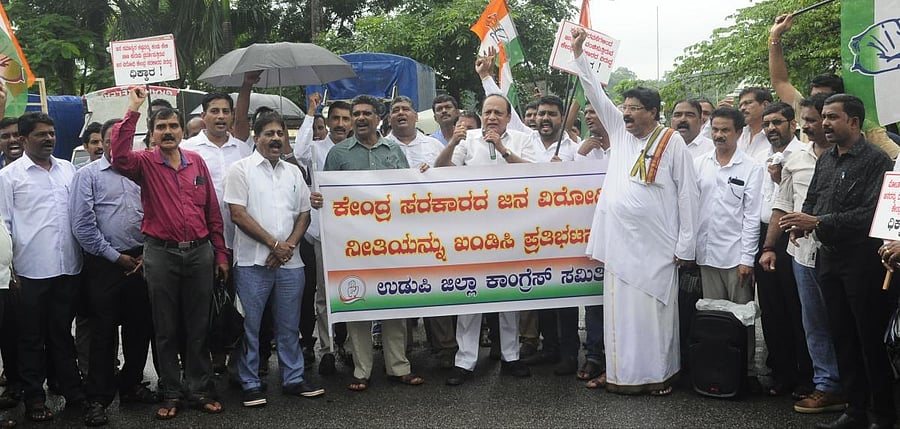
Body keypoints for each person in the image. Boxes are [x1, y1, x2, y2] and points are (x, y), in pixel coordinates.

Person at [572, 27, 698, 396]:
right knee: (620, 316)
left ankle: (658, 376)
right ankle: (621, 375)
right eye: (624, 108)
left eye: (634, 109)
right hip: (619, 244)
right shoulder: (621, 132)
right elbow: (594, 90)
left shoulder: (671, 142)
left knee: (653, 316)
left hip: (657, 247)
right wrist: (580, 56)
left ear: (653, 112)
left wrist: (685, 245)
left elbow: (688, 196)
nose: (625, 114)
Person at [110, 87, 228, 420]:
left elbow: (213, 213)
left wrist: (220, 255)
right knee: (165, 327)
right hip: (160, 254)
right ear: (152, 133)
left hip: (200, 253)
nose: (168, 133)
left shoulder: (197, 162)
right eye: (160, 128)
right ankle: (171, 391)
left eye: (173, 127)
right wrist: (133, 108)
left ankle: (200, 388)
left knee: (198, 326)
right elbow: (118, 156)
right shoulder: (144, 163)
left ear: (181, 130)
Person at [781, 94, 895, 429]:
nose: (825, 124)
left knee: (868, 338)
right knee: (841, 335)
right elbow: (814, 197)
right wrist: (799, 225)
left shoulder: (876, 160)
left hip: (862, 261)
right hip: (828, 260)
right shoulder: (827, 159)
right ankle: (855, 410)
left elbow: (871, 214)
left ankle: (883, 414)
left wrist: (818, 223)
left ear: (854, 122)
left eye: (833, 117)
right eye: (824, 117)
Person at [323, 94, 425, 391]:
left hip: (389, 241)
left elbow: (407, 192)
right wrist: (320, 199)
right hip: (352, 243)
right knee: (358, 302)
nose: (361, 118)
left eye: (367, 113)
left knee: (392, 302)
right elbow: (329, 197)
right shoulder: (339, 154)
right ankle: (361, 370)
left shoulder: (393, 150)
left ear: (379, 118)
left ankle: (398, 367)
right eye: (356, 114)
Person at [224, 110, 324, 407]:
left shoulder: (293, 171)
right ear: (256, 138)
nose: (276, 139)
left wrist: (287, 246)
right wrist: (273, 244)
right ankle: (251, 382)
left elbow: (305, 213)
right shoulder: (240, 170)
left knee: (289, 324)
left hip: (290, 262)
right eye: (269, 133)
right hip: (253, 263)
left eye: (280, 134)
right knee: (251, 326)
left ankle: (293, 378)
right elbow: (238, 214)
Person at [434, 93, 534, 385]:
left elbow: (536, 175)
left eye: (497, 113)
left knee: (508, 293)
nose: (491, 117)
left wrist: (502, 148)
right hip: (472, 232)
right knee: (471, 294)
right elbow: (442, 170)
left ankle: (511, 356)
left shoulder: (520, 139)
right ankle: (465, 361)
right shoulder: (467, 139)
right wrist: (452, 142)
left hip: (511, 231)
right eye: (487, 111)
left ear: (508, 117)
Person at [759, 92, 847, 414]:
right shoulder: (793, 159)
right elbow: (781, 206)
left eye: (818, 119)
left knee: (846, 322)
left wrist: (817, 222)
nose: (814, 126)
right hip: (802, 256)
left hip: (844, 256)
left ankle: (856, 387)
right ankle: (826, 385)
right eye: (810, 120)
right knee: (814, 323)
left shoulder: (855, 157)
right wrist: (769, 247)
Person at [70, 118, 157, 426]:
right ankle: (97, 398)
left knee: (139, 328)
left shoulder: (141, 171)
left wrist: (146, 253)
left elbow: (154, 213)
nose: (117, 144)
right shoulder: (88, 175)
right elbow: (82, 225)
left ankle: (132, 385)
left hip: (141, 259)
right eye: (111, 139)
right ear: (104, 143)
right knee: (103, 334)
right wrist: (114, 256)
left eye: (124, 138)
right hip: (104, 263)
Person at [0, 112, 84, 422]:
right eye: (41, 134)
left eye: (51, 133)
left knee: (62, 334)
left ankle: (73, 392)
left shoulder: (68, 170)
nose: (49, 138)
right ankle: (35, 398)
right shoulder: (9, 177)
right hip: (29, 273)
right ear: (23, 140)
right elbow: (3, 226)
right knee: (31, 338)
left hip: (67, 268)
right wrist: (11, 271)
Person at [182, 92, 253, 375]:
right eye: (215, 111)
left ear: (232, 116)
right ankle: (209, 359)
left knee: (239, 303)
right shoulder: (188, 149)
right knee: (205, 303)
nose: (221, 116)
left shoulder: (244, 150)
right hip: (204, 241)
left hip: (243, 238)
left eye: (226, 111)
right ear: (204, 115)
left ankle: (240, 359)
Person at [694, 107, 764, 390]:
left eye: (725, 130)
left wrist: (747, 259)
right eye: (715, 130)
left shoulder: (751, 168)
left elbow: (751, 218)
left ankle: (744, 371)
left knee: (741, 316)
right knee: (713, 316)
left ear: (739, 132)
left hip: (737, 257)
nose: (719, 135)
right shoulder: (700, 164)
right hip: (707, 255)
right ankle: (716, 369)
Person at [768, 12, 899, 159]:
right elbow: (780, 81)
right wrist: (775, 37)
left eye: (824, 101)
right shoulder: (805, 110)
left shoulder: (864, 126)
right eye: (814, 98)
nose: (807, 125)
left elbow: (896, 160)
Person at [754, 101, 812, 398]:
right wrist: (765, 244)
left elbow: (789, 203)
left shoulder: (804, 155)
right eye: (766, 124)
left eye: (777, 122)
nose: (771, 129)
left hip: (794, 235)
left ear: (792, 124)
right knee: (772, 310)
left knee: (796, 309)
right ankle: (781, 373)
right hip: (765, 236)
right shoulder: (764, 156)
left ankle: (806, 375)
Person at [295, 94, 353, 375]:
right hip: (323, 234)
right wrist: (310, 112)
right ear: (327, 122)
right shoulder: (316, 149)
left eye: (345, 119)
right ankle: (327, 349)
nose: (340, 124)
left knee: (356, 289)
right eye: (336, 119)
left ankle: (351, 346)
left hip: (357, 234)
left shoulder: (360, 149)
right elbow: (299, 152)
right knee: (323, 295)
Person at [385, 95, 444, 171]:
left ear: (416, 117)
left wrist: (431, 172)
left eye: (405, 109)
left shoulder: (434, 145)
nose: (401, 113)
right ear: (389, 120)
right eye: (395, 111)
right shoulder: (381, 148)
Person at [737, 87, 773, 162]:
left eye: (748, 103)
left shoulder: (775, 135)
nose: (742, 108)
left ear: (765, 105)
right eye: (740, 105)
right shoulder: (739, 136)